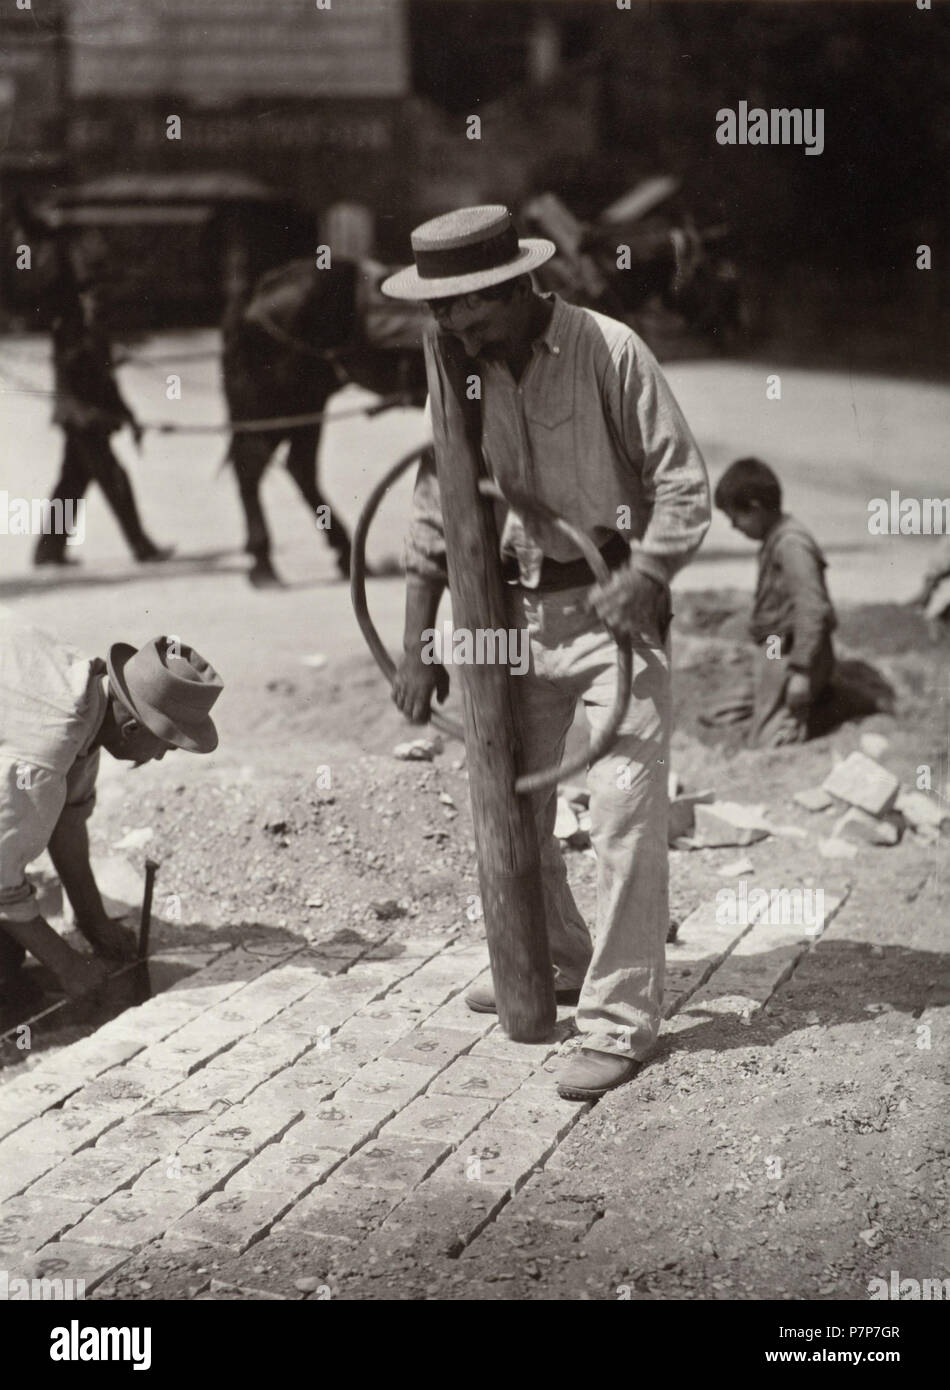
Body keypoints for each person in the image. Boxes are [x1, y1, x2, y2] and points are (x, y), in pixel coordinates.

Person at [381, 205, 710, 1101]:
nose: (448, 324)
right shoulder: (455, 372)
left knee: (623, 813)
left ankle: (617, 1021)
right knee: (511, 810)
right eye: (440, 310)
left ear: (515, 286)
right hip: (509, 621)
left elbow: (683, 483)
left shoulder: (608, 350)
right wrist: (419, 642)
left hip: (615, 620)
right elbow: (432, 509)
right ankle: (559, 958)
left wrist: (645, 574)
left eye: (465, 307)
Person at [0, 612, 223, 999]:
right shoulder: (44, 751)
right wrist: (68, 965)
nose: (158, 759)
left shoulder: (87, 698)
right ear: (132, 728)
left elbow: (68, 821)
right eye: (166, 746)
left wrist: (93, 920)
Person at [34, 272, 173, 567]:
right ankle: (141, 547)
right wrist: (104, 358)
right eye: (96, 298)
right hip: (81, 420)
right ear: (83, 299)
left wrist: (130, 417)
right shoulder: (70, 330)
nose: (100, 306)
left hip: (88, 421)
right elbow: (76, 372)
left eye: (104, 300)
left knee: (71, 484)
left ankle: (48, 551)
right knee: (115, 479)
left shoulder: (97, 334)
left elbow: (109, 386)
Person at [712, 457, 837, 747]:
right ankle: (781, 700)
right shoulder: (774, 538)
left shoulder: (791, 544)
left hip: (794, 651)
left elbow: (812, 608)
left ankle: (819, 704)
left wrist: (802, 673)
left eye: (735, 518)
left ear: (755, 508)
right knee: (724, 710)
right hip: (773, 646)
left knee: (765, 742)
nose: (733, 527)